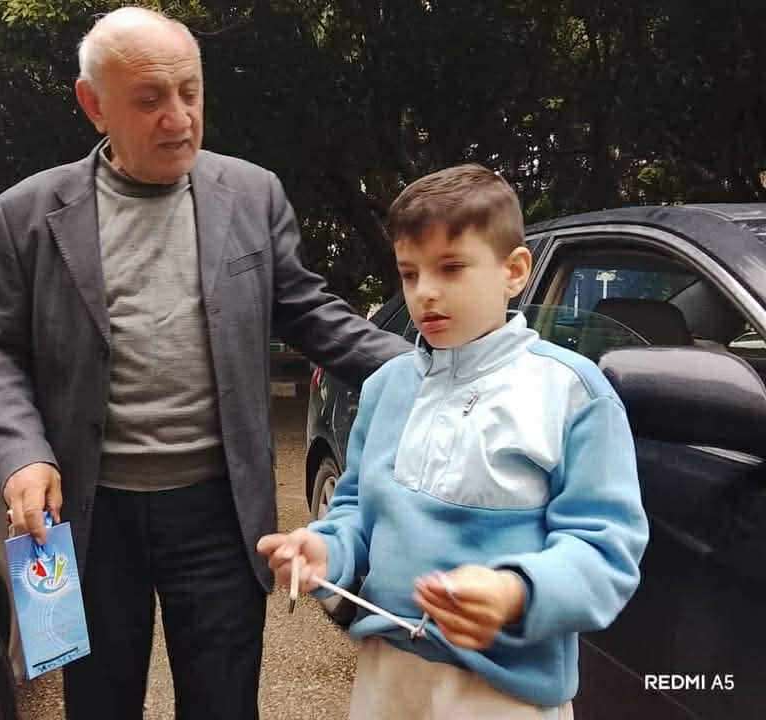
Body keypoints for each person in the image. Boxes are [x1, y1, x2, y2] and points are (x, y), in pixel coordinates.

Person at [0, 6, 410, 720]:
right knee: (98, 703)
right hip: (88, 514)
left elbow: (310, 312)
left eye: (190, 92)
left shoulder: (253, 193)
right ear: (94, 105)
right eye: (149, 100)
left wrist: (438, 372)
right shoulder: (25, 214)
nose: (179, 118)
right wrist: (22, 454)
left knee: (224, 703)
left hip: (218, 511)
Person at [259, 164, 649, 719]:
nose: (426, 292)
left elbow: (606, 552)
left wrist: (516, 593)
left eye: (451, 268)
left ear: (514, 271)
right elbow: (355, 512)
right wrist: (326, 551)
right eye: (409, 273)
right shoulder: (387, 386)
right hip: (386, 676)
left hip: (504, 693)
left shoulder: (573, 393)